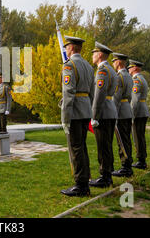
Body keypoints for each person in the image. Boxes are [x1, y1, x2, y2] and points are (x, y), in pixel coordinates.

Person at [60, 36, 94, 197]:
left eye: (67, 47)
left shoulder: (69, 65)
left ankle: (81, 185)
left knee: (76, 148)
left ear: (71, 48)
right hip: (85, 109)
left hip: (74, 111)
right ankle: (85, 180)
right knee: (82, 146)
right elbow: (92, 92)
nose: (65, 49)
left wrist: (65, 118)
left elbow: (68, 92)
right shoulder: (88, 66)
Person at [89, 42, 118, 188]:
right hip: (109, 109)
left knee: (103, 145)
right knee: (107, 144)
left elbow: (99, 95)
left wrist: (94, 115)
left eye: (94, 53)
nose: (92, 55)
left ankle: (105, 176)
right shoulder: (110, 69)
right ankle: (108, 173)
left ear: (100, 55)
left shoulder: (102, 71)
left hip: (103, 112)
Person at [111, 53, 134, 177]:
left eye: (114, 61)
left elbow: (116, 98)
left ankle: (125, 166)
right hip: (127, 109)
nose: (113, 63)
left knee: (122, 140)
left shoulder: (119, 77)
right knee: (126, 139)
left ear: (119, 62)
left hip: (120, 111)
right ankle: (128, 164)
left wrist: (113, 114)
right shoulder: (129, 76)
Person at [127, 60, 149, 169]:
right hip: (142, 109)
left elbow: (135, 100)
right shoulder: (141, 79)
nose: (128, 69)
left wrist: (132, 115)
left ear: (135, 68)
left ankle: (141, 160)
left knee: (137, 136)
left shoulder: (136, 80)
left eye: (130, 67)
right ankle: (141, 158)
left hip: (139, 111)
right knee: (140, 136)